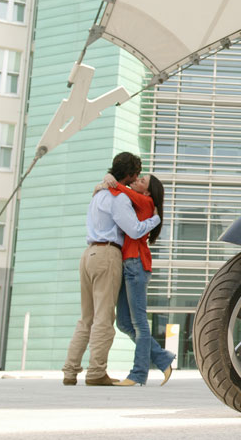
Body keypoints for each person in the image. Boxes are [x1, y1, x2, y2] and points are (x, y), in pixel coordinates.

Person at [62, 152, 161, 386]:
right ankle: (96, 372)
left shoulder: (98, 193)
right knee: (104, 317)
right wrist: (155, 219)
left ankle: (70, 371)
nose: (137, 179)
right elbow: (135, 230)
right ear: (130, 174)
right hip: (107, 254)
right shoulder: (119, 199)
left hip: (88, 254)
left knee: (86, 318)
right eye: (137, 175)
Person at [101, 172, 175, 386]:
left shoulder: (145, 201)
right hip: (129, 264)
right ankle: (162, 358)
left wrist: (109, 180)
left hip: (136, 264)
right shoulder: (140, 201)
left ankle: (138, 374)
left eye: (142, 181)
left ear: (148, 192)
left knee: (140, 323)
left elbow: (118, 188)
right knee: (124, 322)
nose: (136, 181)